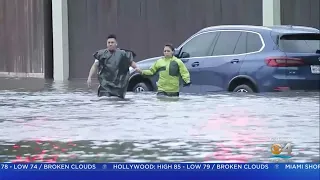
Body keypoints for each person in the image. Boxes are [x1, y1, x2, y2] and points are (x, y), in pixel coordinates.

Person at [87, 34, 138, 99]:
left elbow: (131, 62)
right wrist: (89, 77)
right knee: (104, 100)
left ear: (116, 44)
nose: (110, 44)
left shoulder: (122, 53)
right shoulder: (101, 54)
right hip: (105, 84)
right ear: (106, 44)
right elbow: (95, 65)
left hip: (119, 85)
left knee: (117, 101)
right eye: (109, 43)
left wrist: (137, 68)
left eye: (112, 42)